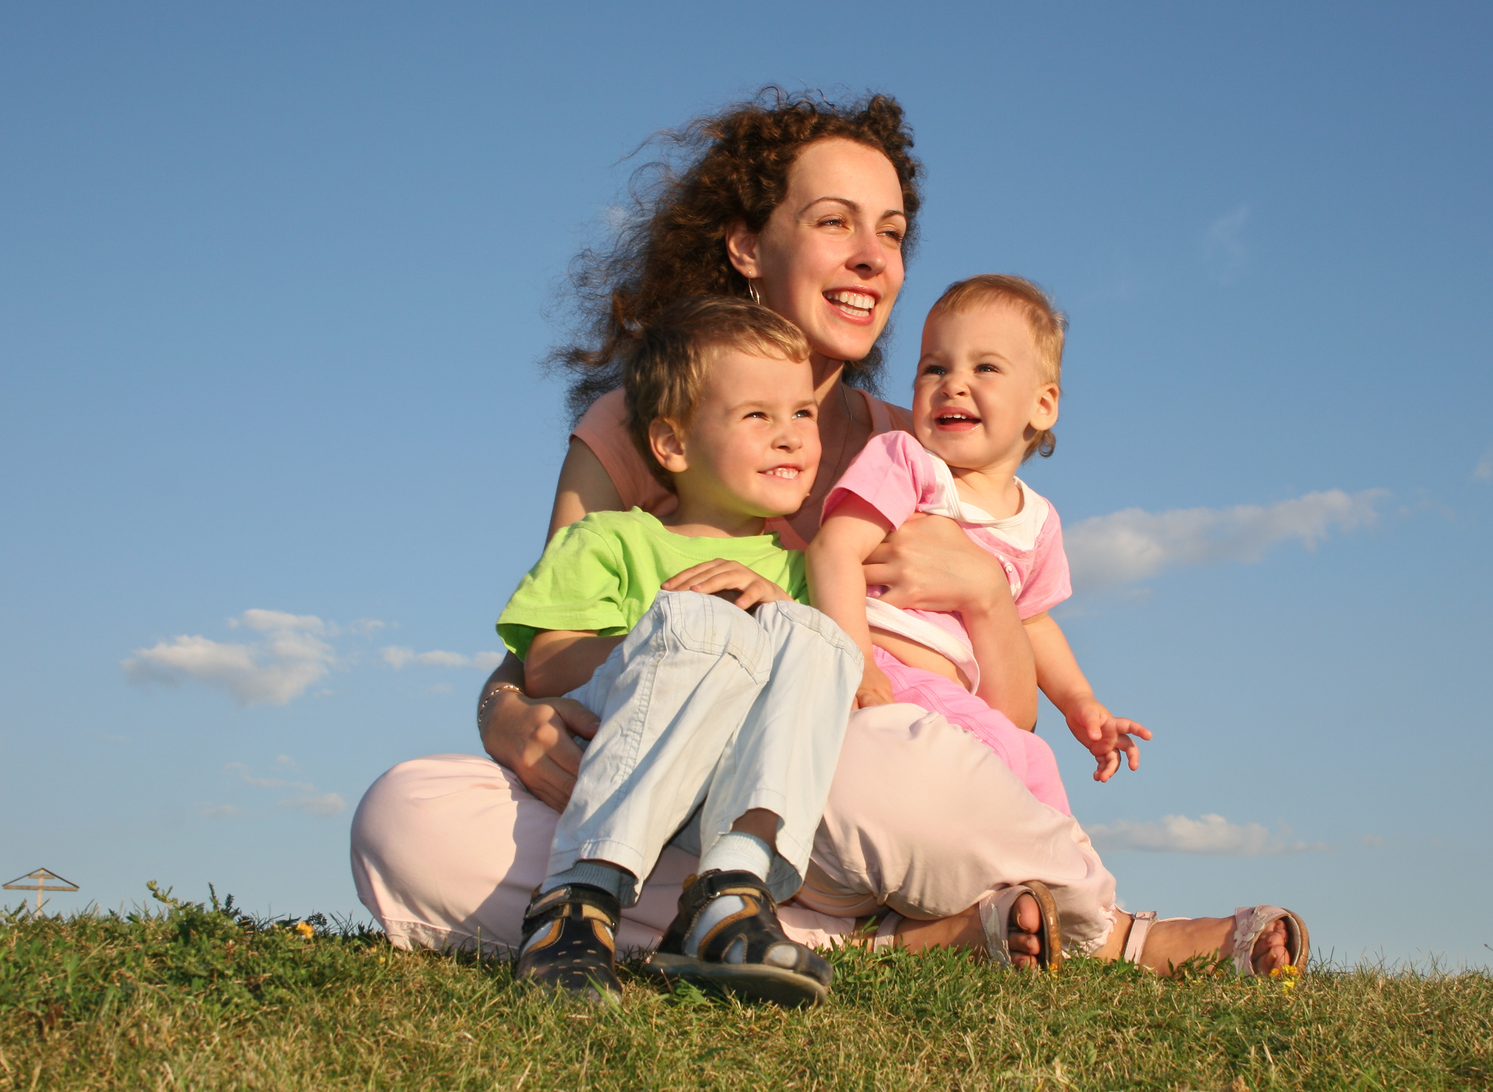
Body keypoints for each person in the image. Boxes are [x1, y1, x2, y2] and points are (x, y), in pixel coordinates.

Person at [351, 89, 1308, 980]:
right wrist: (504, 716)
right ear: (746, 246)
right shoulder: (641, 427)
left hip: (846, 793)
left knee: (883, 765)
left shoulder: (921, 445)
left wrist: (979, 591)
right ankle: (861, 937)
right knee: (408, 818)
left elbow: (994, 723)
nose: (872, 258)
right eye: (833, 222)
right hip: (654, 782)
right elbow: (547, 646)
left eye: (890, 233)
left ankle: (1109, 932)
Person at [499, 296, 857, 1005]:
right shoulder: (610, 539)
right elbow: (546, 664)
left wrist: (771, 611)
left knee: (819, 638)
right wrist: (675, 631)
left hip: (726, 779)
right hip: (626, 748)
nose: (789, 436)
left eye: (803, 414)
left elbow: (823, 697)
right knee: (704, 625)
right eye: (758, 415)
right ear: (673, 443)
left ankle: (728, 892)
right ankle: (577, 897)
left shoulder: (801, 569)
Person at [808, 274, 1149, 817]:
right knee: (1002, 780)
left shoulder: (1036, 522)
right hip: (886, 670)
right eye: (934, 368)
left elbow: (1032, 623)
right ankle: (1045, 883)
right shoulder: (907, 463)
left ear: (1042, 405)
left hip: (956, 702)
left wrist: (1079, 702)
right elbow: (833, 550)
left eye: (984, 367)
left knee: (1034, 765)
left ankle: (1068, 893)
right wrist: (855, 663)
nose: (953, 383)